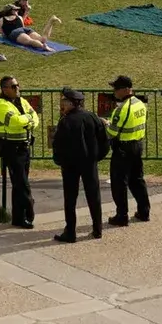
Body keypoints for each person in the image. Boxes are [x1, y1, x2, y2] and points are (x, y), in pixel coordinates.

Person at [51, 86, 110, 243]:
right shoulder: (92, 117)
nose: (62, 104)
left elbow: (58, 145)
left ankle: (70, 232)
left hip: (70, 166)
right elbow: (104, 141)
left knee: (70, 198)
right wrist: (96, 157)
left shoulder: (65, 121)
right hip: (89, 163)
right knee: (94, 196)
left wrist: (59, 161)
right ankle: (97, 229)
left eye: (64, 101)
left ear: (71, 103)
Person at [0, 74, 39, 229]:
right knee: (21, 183)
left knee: (20, 184)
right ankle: (29, 209)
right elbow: (15, 121)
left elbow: (35, 117)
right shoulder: (1, 105)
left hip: (24, 147)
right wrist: (28, 120)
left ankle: (18, 218)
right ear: (5, 89)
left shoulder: (21, 101)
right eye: (13, 86)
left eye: (17, 85)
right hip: (11, 148)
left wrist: (28, 120)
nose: (17, 88)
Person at [105, 74, 151, 225]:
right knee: (137, 179)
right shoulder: (140, 104)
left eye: (116, 89)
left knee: (119, 183)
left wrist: (106, 124)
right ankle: (144, 211)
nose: (114, 92)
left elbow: (112, 133)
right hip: (138, 144)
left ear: (125, 90)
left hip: (123, 148)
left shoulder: (122, 109)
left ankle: (122, 216)